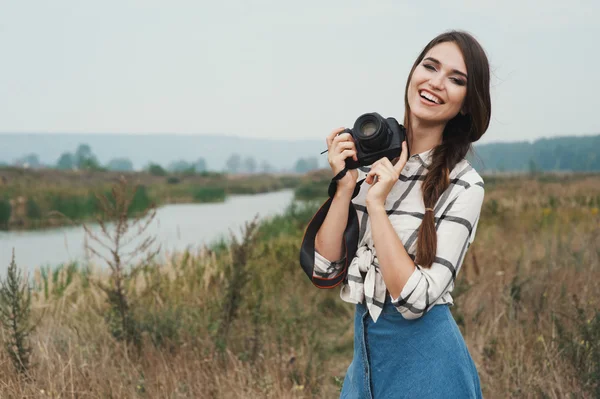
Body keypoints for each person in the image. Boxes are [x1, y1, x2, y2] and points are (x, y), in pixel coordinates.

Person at [313, 30, 489, 398]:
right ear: (413, 73)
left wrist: (377, 205)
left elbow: (412, 300)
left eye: (456, 80)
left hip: (431, 371)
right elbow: (324, 268)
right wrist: (346, 188)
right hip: (366, 366)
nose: (436, 83)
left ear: (466, 103)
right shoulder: (376, 162)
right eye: (430, 66)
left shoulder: (464, 185)